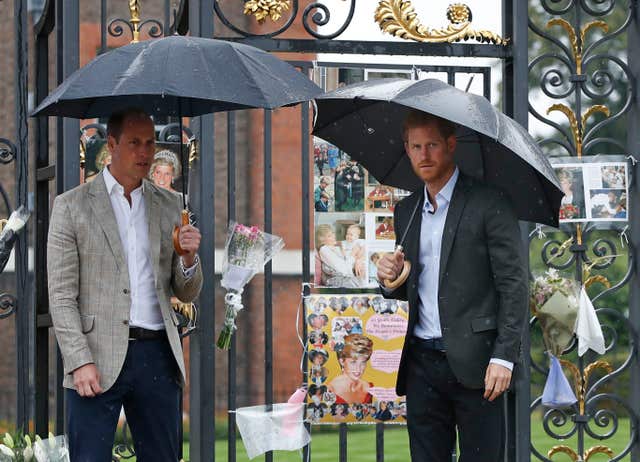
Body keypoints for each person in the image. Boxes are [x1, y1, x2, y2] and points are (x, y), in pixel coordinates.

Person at [47, 108, 203, 461]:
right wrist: (78, 360)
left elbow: (186, 291)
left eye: (149, 142)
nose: (145, 152)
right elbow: (60, 294)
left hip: (157, 354)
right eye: (134, 143)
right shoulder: (70, 207)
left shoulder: (171, 204)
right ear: (112, 145)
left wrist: (189, 258)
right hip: (96, 357)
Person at [376, 110, 527, 461]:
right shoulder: (406, 210)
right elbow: (412, 287)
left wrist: (504, 357)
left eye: (432, 145)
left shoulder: (489, 202)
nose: (424, 155)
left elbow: (514, 284)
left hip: (478, 364)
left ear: (451, 145)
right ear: (407, 149)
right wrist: (389, 278)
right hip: (421, 364)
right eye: (415, 146)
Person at [327, 334, 374, 404]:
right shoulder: (330, 390)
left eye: (363, 362)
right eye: (353, 362)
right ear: (342, 361)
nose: (358, 368)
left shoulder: (368, 388)